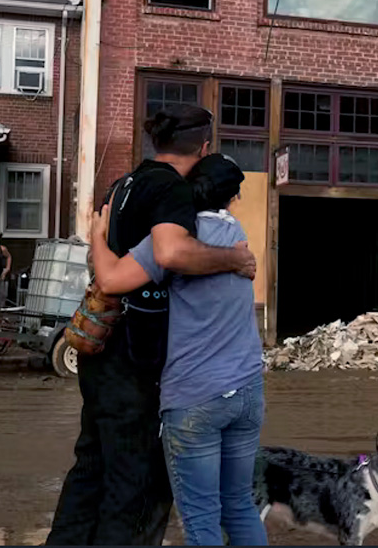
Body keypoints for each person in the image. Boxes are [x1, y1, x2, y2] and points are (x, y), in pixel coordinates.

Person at [45, 106, 258, 546]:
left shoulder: (122, 184)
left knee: (91, 468)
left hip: (99, 351)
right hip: (140, 362)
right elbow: (171, 253)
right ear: (203, 149)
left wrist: (100, 241)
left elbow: (101, 261)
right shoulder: (172, 191)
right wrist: (234, 259)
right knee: (137, 486)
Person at [90, 154, 266, 546]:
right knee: (238, 504)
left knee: (201, 517)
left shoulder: (172, 242)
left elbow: (110, 281)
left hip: (195, 396)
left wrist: (97, 235)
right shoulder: (236, 234)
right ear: (233, 197)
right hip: (248, 392)